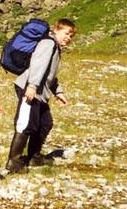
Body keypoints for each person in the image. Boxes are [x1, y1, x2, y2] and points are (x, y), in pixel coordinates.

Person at [5, 18, 75, 174]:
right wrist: (32, 86)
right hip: (30, 88)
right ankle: (13, 161)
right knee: (26, 123)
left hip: (39, 90)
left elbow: (50, 74)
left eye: (71, 36)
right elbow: (38, 64)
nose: (68, 38)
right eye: (66, 33)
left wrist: (58, 92)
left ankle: (34, 157)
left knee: (45, 123)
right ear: (56, 29)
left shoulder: (55, 46)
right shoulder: (48, 43)